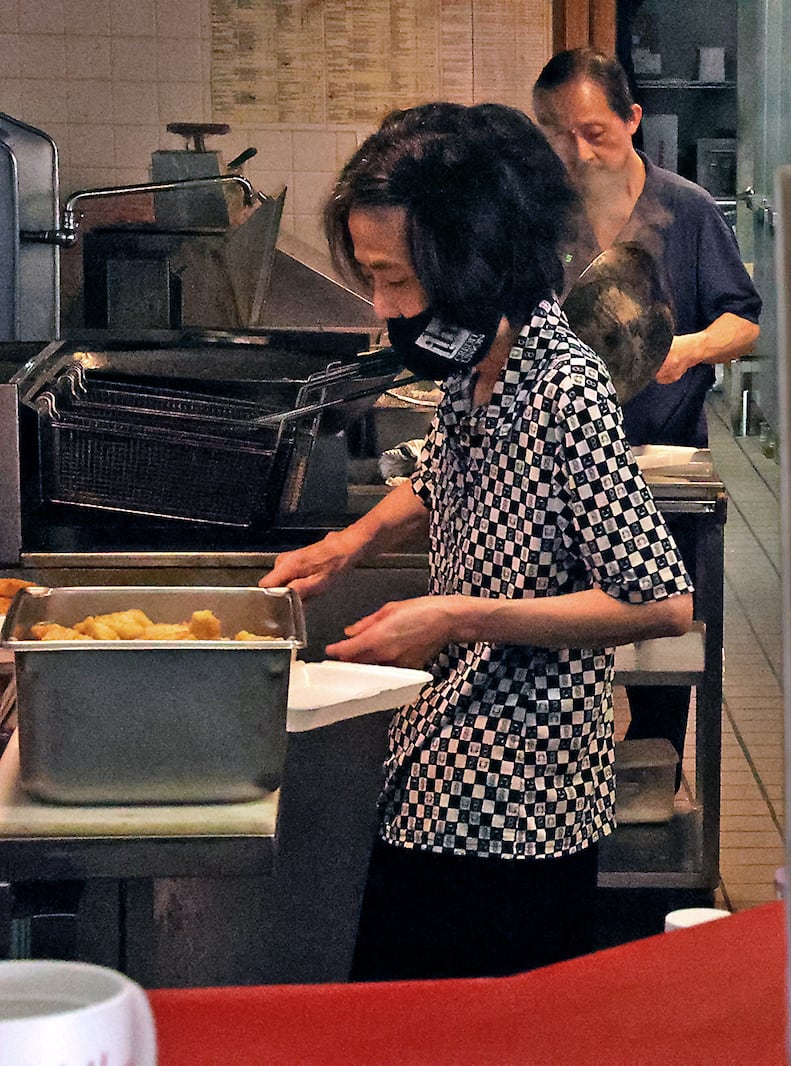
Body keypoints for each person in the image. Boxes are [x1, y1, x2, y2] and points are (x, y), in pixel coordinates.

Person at [260, 101, 694, 982]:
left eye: (396, 280)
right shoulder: (472, 359)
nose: (382, 308)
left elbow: (660, 600)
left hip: (519, 796)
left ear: (472, 261)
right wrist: (348, 544)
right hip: (441, 753)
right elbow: (443, 472)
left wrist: (454, 616)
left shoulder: (561, 386)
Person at [533, 47, 761, 781]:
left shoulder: (686, 209)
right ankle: (568, 806)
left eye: (593, 131)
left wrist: (687, 348)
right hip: (560, 476)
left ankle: (651, 792)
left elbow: (746, 320)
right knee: (563, 656)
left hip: (662, 471)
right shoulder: (546, 218)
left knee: (663, 660)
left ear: (633, 119)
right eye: (558, 133)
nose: (577, 150)